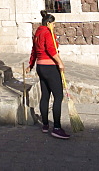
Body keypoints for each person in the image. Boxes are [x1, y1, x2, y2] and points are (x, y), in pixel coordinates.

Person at [28, 10, 71, 139]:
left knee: (45, 95)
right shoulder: (47, 33)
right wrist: (60, 63)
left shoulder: (38, 33)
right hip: (50, 67)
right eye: (53, 24)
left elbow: (34, 51)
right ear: (48, 23)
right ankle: (56, 128)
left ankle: (45, 125)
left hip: (40, 67)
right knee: (58, 96)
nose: (54, 26)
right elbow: (51, 50)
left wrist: (31, 64)